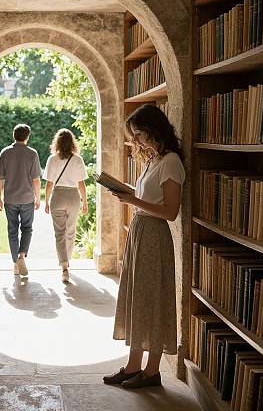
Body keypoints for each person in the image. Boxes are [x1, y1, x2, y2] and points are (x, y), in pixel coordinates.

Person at [103, 104, 185, 390]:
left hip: (154, 235)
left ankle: (152, 372)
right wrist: (127, 192)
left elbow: (171, 211)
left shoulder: (171, 161)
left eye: (138, 134)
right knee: (139, 299)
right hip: (140, 233)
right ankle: (133, 366)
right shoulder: (153, 159)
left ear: (154, 130)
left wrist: (132, 201)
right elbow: (147, 197)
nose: (135, 140)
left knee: (153, 299)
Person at [0, 124, 42, 277]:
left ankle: (15, 263)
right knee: (27, 228)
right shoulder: (32, 154)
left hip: (10, 199)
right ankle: (22, 256)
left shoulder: (5, 152)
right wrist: (37, 198)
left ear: (13, 135)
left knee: (12, 230)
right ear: (27, 136)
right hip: (27, 199)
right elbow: (36, 179)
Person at [43, 129, 88, 282]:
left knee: (59, 233)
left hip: (58, 196)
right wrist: (85, 201)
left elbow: (49, 184)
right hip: (73, 196)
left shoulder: (52, 160)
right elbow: (81, 183)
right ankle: (67, 261)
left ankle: (64, 266)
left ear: (57, 142)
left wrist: (47, 201)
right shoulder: (78, 160)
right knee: (70, 231)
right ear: (72, 143)